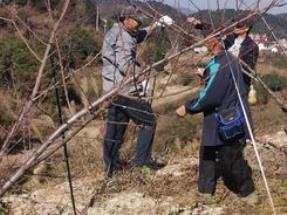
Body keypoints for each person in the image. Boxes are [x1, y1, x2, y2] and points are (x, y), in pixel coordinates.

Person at [175, 34, 257, 199]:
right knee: (208, 153)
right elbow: (218, 83)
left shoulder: (221, 64)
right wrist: (205, 75)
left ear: (214, 43)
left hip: (224, 118)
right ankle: (205, 190)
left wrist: (188, 107)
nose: (205, 44)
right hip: (220, 116)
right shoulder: (228, 60)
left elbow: (211, 96)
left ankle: (247, 190)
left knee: (230, 157)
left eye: (208, 41)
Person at [101, 10, 172, 176]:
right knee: (149, 121)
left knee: (116, 128)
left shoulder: (120, 32)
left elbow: (139, 35)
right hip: (125, 89)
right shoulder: (124, 38)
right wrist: (142, 75)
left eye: (140, 22)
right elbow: (125, 64)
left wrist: (155, 25)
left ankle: (111, 168)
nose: (138, 24)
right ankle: (142, 164)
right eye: (135, 21)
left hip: (111, 89)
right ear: (125, 19)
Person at [223, 18, 259, 93]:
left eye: (238, 25)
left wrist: (237, 58)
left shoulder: (251, 46)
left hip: (239, 86)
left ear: (247, 28)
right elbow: (214, 35)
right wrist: (198, 24)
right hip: (225, 82)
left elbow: (248, 68)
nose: (235, 27)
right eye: (234, 24)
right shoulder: (229, 39)